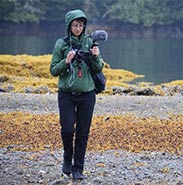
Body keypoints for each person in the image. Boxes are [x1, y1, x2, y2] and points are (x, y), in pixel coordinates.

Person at [50, 9, 104, 181]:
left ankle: (78, 168)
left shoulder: (90, 42)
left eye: (81, 25)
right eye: (75, 25)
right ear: (69, 26)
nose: (78, 28)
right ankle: (67, 159)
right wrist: (66, 61)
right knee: (67, 130)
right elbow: (53, 70)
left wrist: (95, 57)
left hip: (87, 94)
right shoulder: (61, 44)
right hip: (66, 94)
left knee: (82, 133)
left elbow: (98, 68)